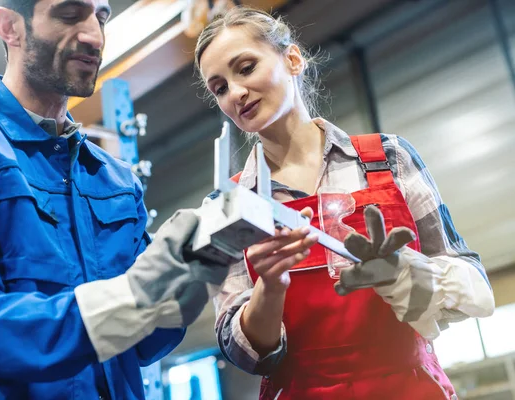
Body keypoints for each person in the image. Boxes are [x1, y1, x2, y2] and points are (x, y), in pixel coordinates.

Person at [0, 1, 272, 399]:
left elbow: (144, 346)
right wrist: (133, 297)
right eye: (70, 14)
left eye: (100, 17)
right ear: (10, 27)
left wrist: (190, 278)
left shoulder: (115, 179)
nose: (94, 35)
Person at [194, 6, 495, 399]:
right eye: (219, 88)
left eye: (246, 68)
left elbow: (474, 287)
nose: (235, 93)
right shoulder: (227, 206)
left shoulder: (390, 158)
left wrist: (406, 275)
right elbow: (246, 355)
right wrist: (270, 286)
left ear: (293, 58)